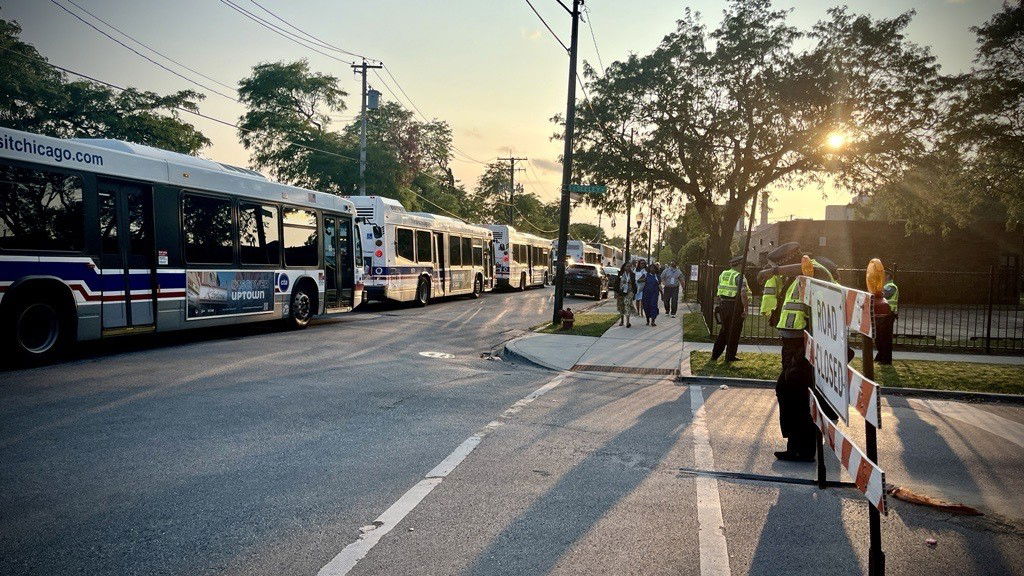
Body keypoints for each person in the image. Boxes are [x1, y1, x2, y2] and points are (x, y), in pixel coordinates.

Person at [757, 243, 836, 462]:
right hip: (791, 344)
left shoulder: (816, 270)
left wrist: (772, 272)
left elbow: (804, 270)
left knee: (798, 394)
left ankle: (805, 448)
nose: (776, 269)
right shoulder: (794, 279)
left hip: (806, 344)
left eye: (778, 265)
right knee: (788, 391)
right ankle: (795, 445)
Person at [711, 255, 751, 362]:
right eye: (744, 264)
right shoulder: (739, 276)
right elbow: (743, 293)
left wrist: (721, 304)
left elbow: (719, 290)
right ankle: (730, 357)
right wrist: (746, 310)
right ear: (739, 265)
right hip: (735, 307)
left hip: (724, 305)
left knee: (724, 331)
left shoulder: (724, 274)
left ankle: (715, 355)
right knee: (734, 332)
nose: (745, 266)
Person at [875, 271, 899, 364]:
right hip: (883, 315)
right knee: (879, 337)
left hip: (888, 315)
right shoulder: (884, 286)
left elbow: (884, 295)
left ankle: (886, 360)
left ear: (888, 276)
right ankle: (881, 357)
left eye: (882, 276)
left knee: (885, 338)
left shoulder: (891, 286)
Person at [616, 261, 635, 328]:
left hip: (629, 292)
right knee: (621, 306)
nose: (629, 267)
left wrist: (634, 293)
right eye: (627, 266)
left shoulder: (632, 275)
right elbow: (616, 283)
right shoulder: (620, 274)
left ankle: (627, 322)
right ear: (624, 267)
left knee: (627, 304)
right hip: (621, 292)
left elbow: (634, 284)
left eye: (630, 266)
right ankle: (622, 320)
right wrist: (616, 292)